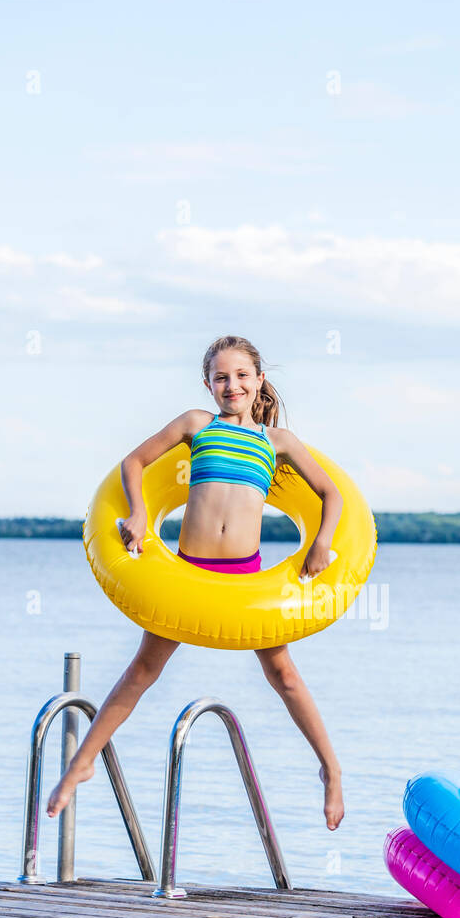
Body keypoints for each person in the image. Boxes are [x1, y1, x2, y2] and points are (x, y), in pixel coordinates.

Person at [46, 334, 345, 829]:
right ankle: (81, 764)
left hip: (245, 577)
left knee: (285, 676)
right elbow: (134, 463)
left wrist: (321, 542)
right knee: (142, 671)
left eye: (242, 376)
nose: (233, 385)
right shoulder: (195, 424)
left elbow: (331, 494)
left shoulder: (278, 442)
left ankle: (330, 768)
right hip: (187, 571)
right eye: (222, 377)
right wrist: (140, 516)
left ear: (260, 380)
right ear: (207, 383)